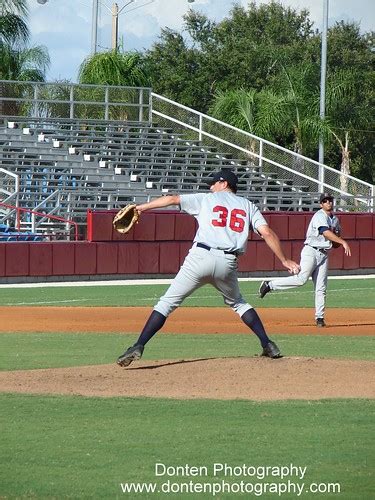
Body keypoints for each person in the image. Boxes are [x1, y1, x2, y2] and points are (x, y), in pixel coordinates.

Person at [117, 169, 301, 367]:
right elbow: (267, 233)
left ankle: (139, 345)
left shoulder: (206, 199)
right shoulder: (248, 206)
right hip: (228, 262)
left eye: (213, 183)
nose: (210, 187)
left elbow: (172, 199)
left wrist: (141, 208)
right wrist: (284, 260)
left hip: (200, 257)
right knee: (238, 303)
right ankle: (268, 344)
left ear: (223, 183)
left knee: (167, 303)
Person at [259, 193, 351, 327]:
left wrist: (338, 242)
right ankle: (269, 285)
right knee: (301, 279)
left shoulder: (335, 220)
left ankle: (320, 318)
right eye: (325, 201)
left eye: (330, 200)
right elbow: (325, 232)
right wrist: (343, 242)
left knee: (321, 287)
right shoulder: (319, 215)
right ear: (321, 204)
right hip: (311, 251)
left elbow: (334, 240)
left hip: (324, 254)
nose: (328, 202)